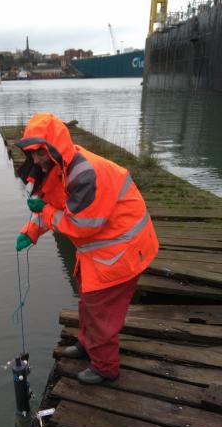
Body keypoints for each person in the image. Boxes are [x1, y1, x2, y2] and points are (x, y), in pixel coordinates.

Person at [15, 112, 159, 385]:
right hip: (99, 249)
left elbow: (79, 225)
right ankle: (86, 344)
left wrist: (44, 213)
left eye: (40, 153)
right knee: (86, 297)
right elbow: (52, 206)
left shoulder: (83, 175)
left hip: (122, 249)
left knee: (100, 311)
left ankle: (105, 368)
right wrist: (30, 231)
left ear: (53, 147)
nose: (36, 160)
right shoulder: (56, 167)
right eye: (32, 153)